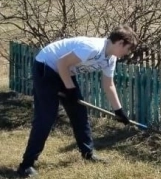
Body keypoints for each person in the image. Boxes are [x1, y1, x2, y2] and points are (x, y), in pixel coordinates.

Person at [17, 25, 138, 178]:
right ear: (120, 42)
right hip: (46, 66)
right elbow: (61, 63)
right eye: (127, 49)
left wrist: (118, 111)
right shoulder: (92, 47)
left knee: (79, 113)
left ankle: (88, 153)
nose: (127, 53)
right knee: (46, 117)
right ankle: (26, 165)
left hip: (64, 71)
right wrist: (70, 89)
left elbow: (108, 84)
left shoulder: (110, 59)